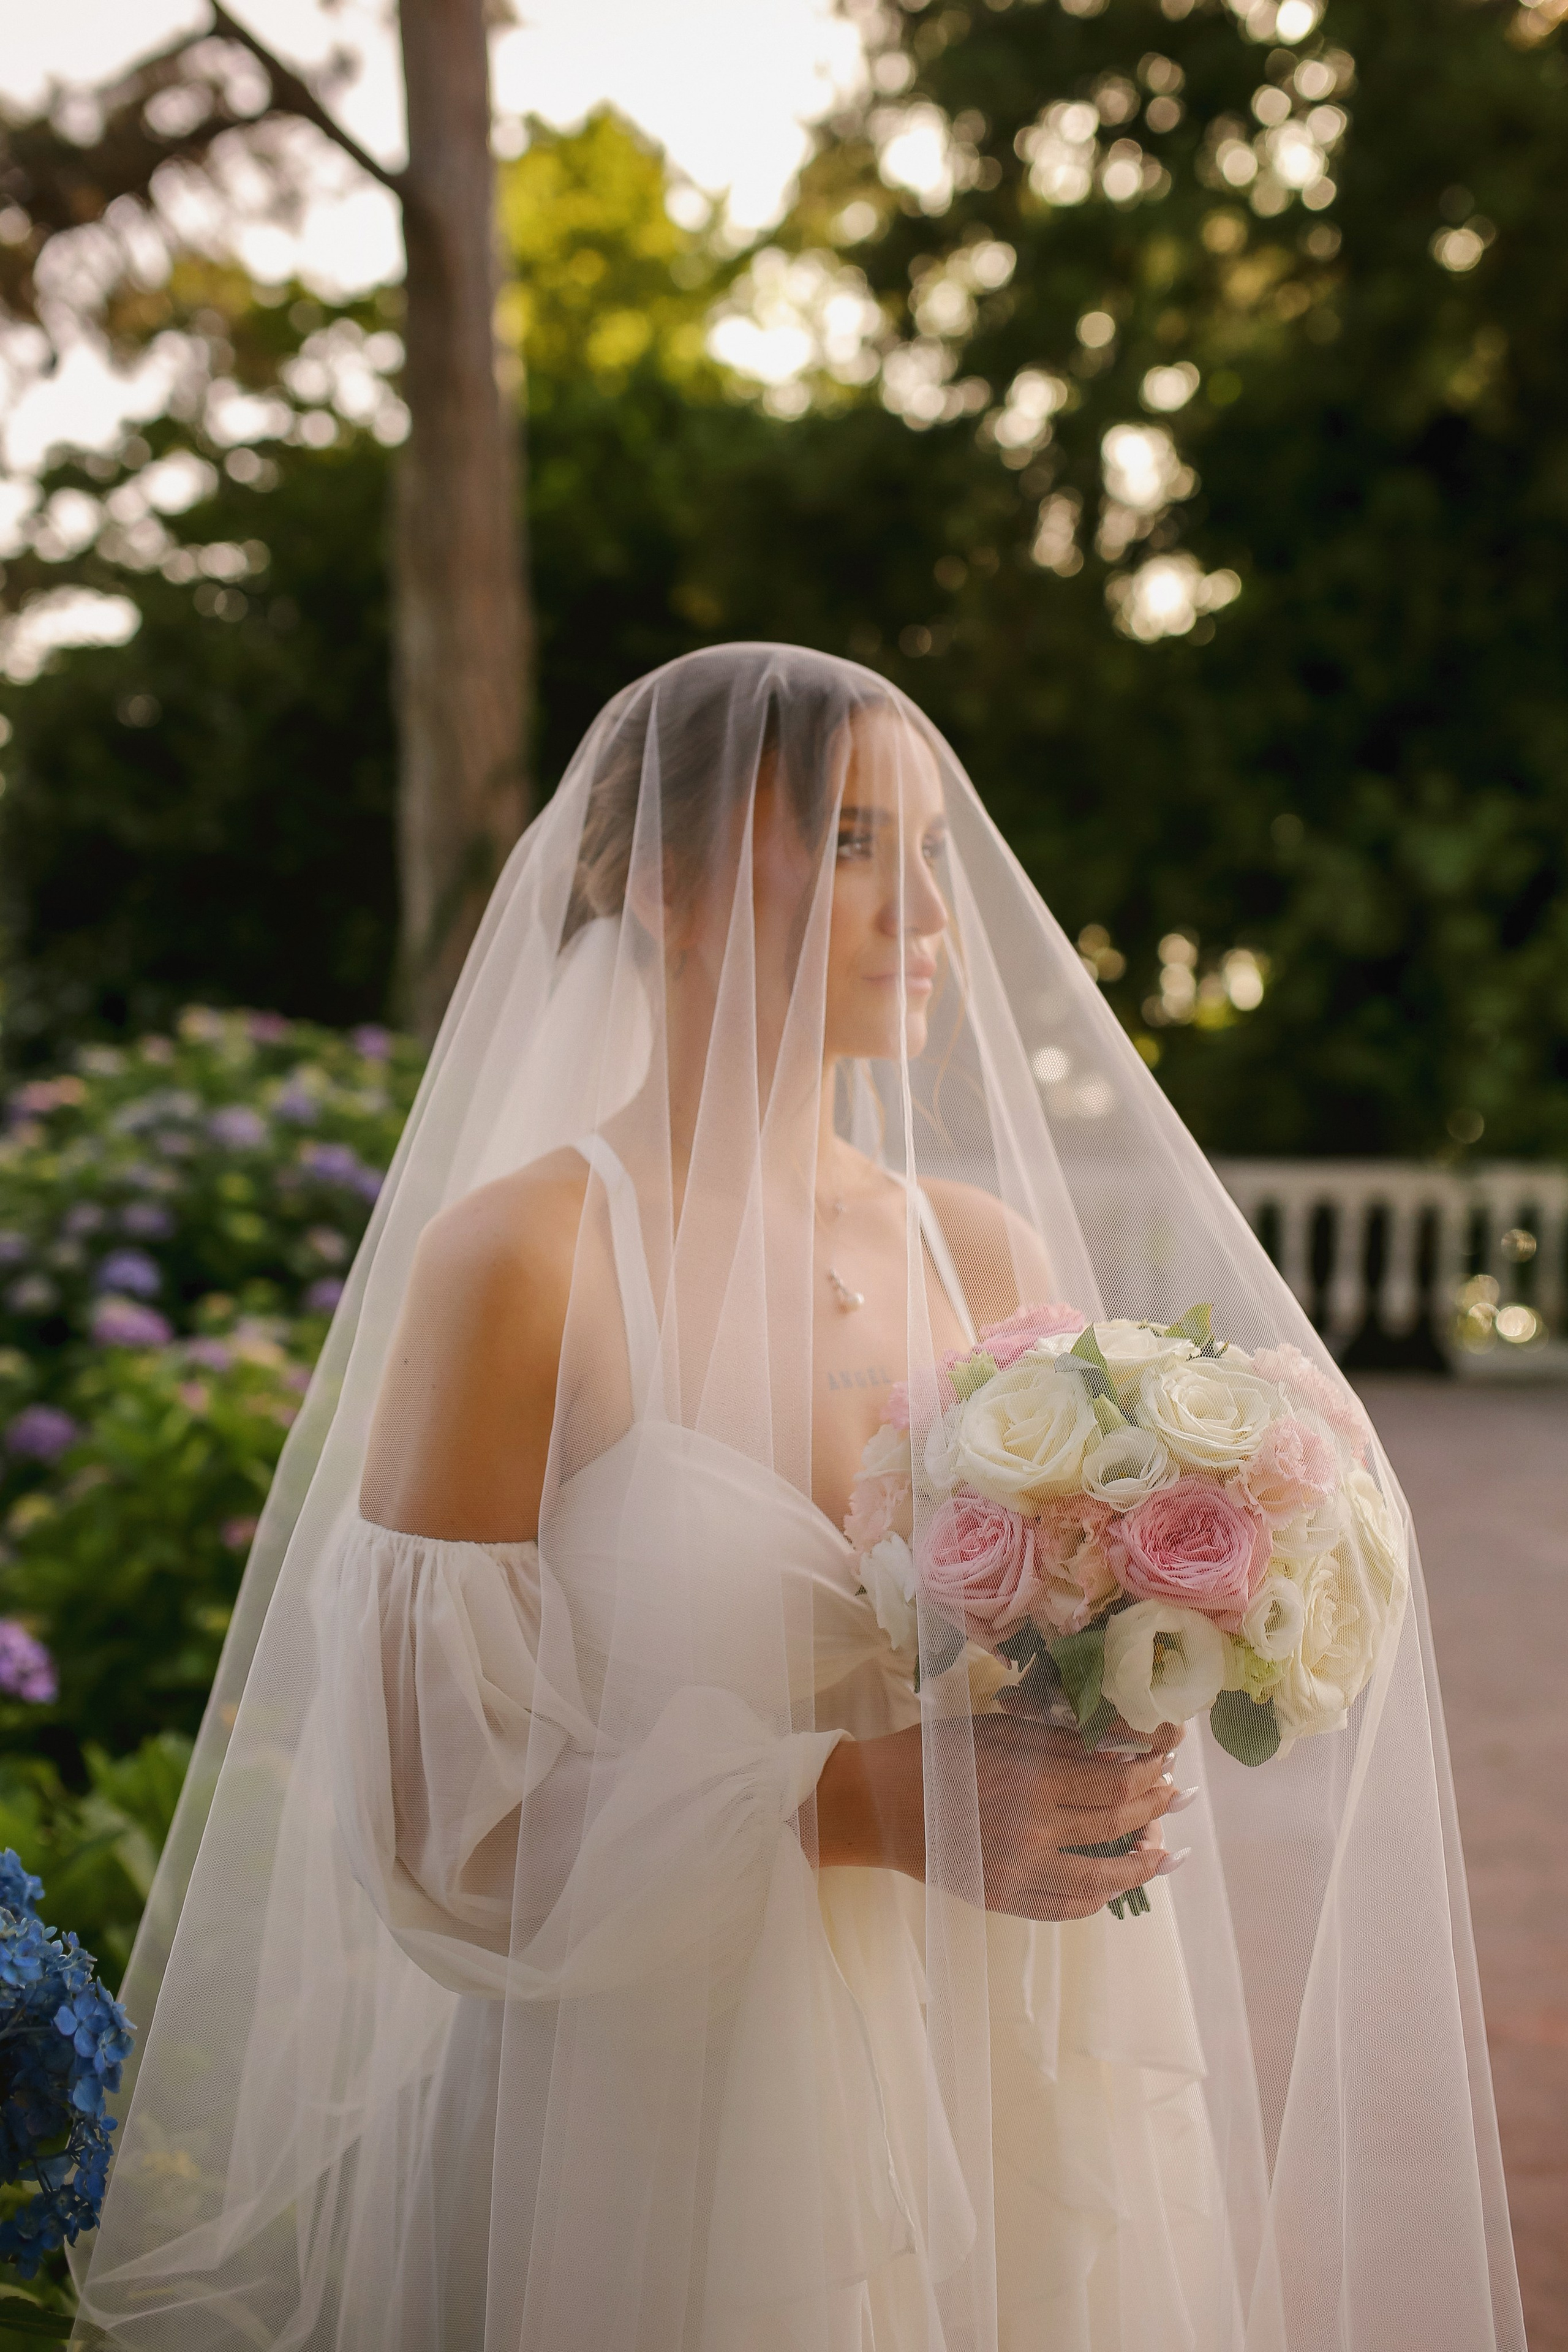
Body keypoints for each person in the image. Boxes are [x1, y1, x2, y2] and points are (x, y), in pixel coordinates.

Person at [76, 646, 1523, 2351]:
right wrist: (866, 1807)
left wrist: (1135, 1680)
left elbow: (1046, 1654)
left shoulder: (980, 1254)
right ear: (658, 881)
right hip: (654, 2143)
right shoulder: (530, 1262)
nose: (928, 911)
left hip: (998, 2078)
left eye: (932, 851)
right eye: (849, 843)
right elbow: (433, 1820)